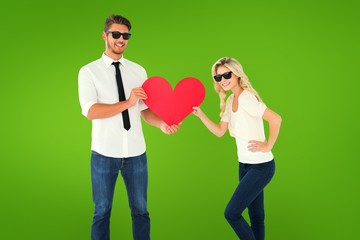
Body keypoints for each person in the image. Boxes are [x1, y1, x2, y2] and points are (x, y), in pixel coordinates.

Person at [78, 14, 179, 240]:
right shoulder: (88, 72)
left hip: (136, 154)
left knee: (141, 211)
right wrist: (128, 102)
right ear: (105, 36)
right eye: (116, 34)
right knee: (102, 212)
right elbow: (91, 111)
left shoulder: (138, 71)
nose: (121, 39)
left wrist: (162, 124)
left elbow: (143, 110)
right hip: (104, 154)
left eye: (125, 35)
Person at [192, 57, 282, 240]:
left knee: (231, 213)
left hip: (261, 167)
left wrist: (268, 145)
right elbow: (219, 131)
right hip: (245, 166)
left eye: (226, 75)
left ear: (237, 74)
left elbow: (276, 119)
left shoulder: (247, 98)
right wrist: (200, 114)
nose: (223, 80)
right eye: (218, 77)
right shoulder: (232, 99)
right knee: (256, 217)